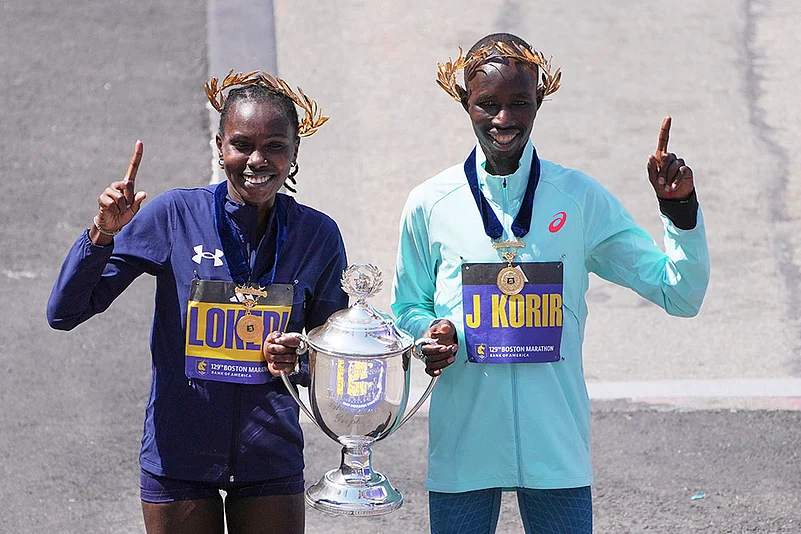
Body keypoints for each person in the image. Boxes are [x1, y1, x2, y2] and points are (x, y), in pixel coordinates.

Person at [391, 33, 710, 533]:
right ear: (464, 102)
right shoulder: (431, 202)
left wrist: (679, 211)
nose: (504, 119)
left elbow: (679, 292)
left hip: (555, 445)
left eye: (519, 102)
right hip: (464, 445)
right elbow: (407, 306)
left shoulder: (577, 197)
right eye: (488, 104)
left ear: (540, 97)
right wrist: (431, 333)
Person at [47, 71, 347, 534]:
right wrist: (102, 234)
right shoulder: (175, 215)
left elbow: (333, 353)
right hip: (179, 453)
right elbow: (65, 312)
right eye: (241, 144)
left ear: (295, 151)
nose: (256, 160)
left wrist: (301, 354)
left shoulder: (317, 234)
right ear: (219, 146)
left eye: (274, 146)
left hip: (269, 454)